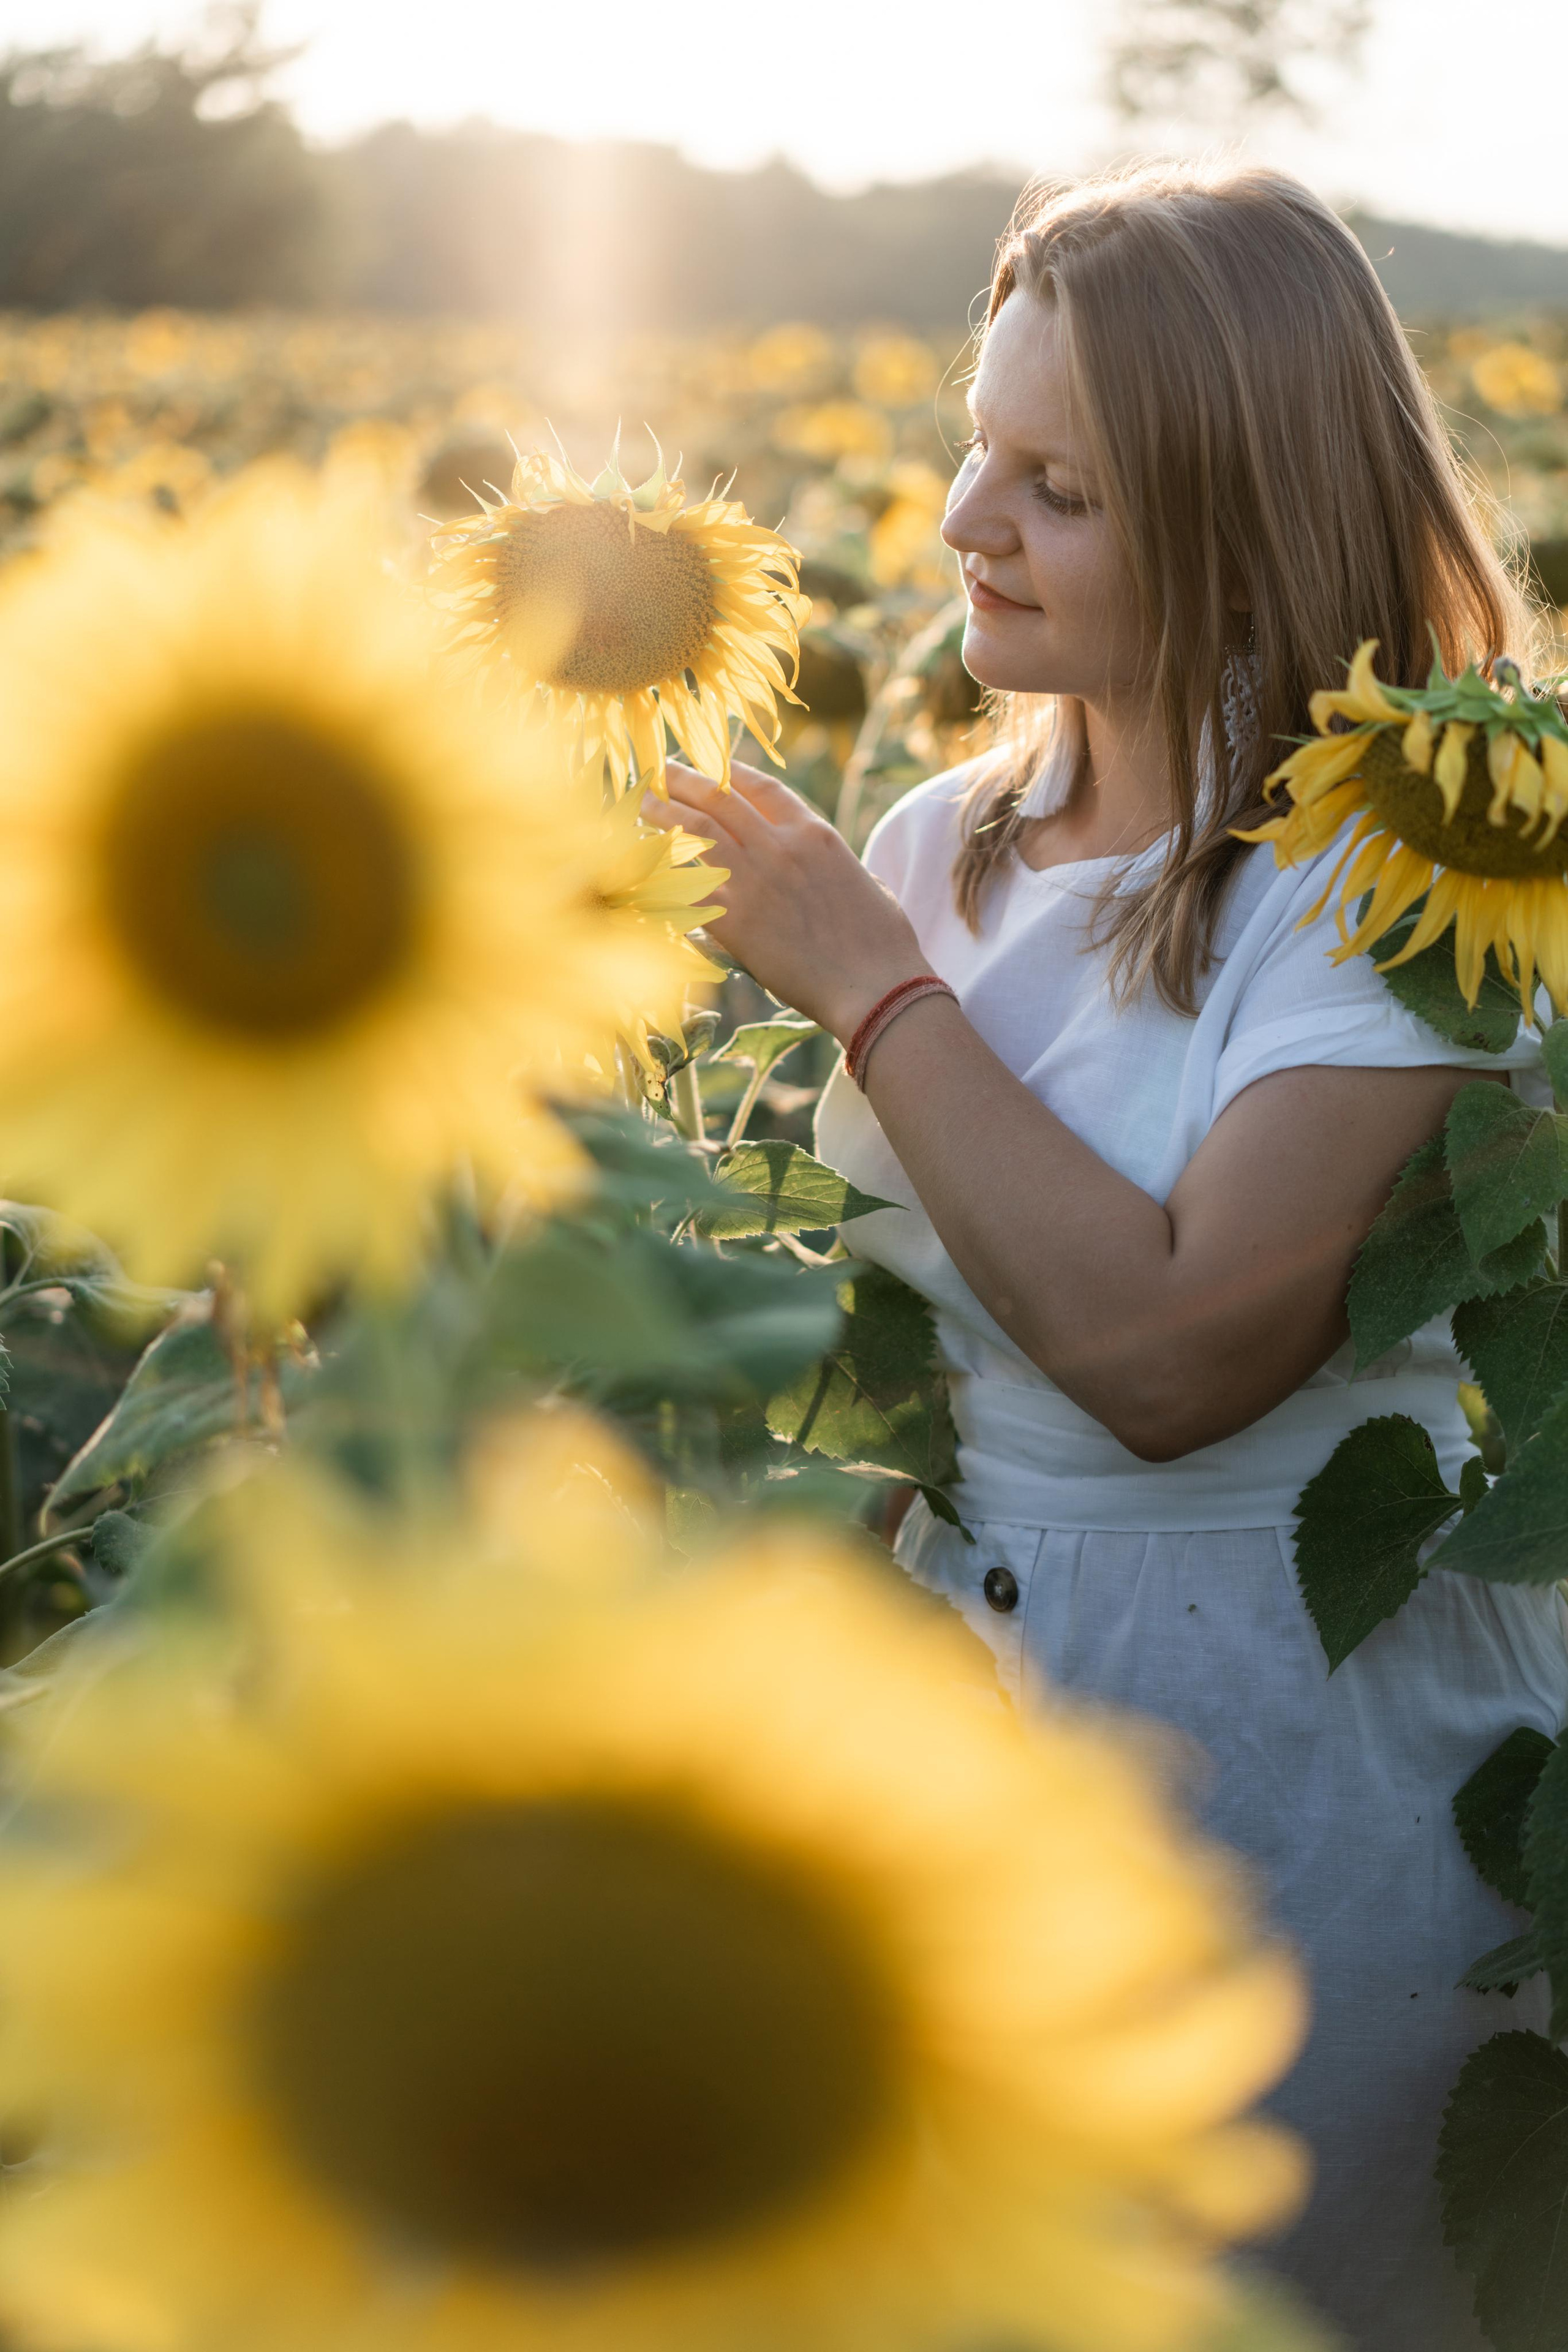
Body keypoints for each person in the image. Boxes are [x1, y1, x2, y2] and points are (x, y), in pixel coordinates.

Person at [643, 162, 1568, 2350]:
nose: (968, 519)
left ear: (1248, 516)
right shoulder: (933, 841)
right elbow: (911, 1355)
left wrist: (872, 993)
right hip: (968, 1754)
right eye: (981, 445)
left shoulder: (1405, 865)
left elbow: (1170, 1355)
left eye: (1058, 488)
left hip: (1300, 1768)